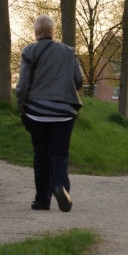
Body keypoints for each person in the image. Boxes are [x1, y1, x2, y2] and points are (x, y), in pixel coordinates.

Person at [16, 14, 83, 212]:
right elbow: (78, 80)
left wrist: (22, 109)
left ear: (36, 32)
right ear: (53, 32)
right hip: (64, 112)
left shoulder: (29, 52)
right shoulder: (69, 52)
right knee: (60, 152)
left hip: (36, 111)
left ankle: (42, 200)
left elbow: (22, 87)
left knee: (41, 154)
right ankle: (60, 186)